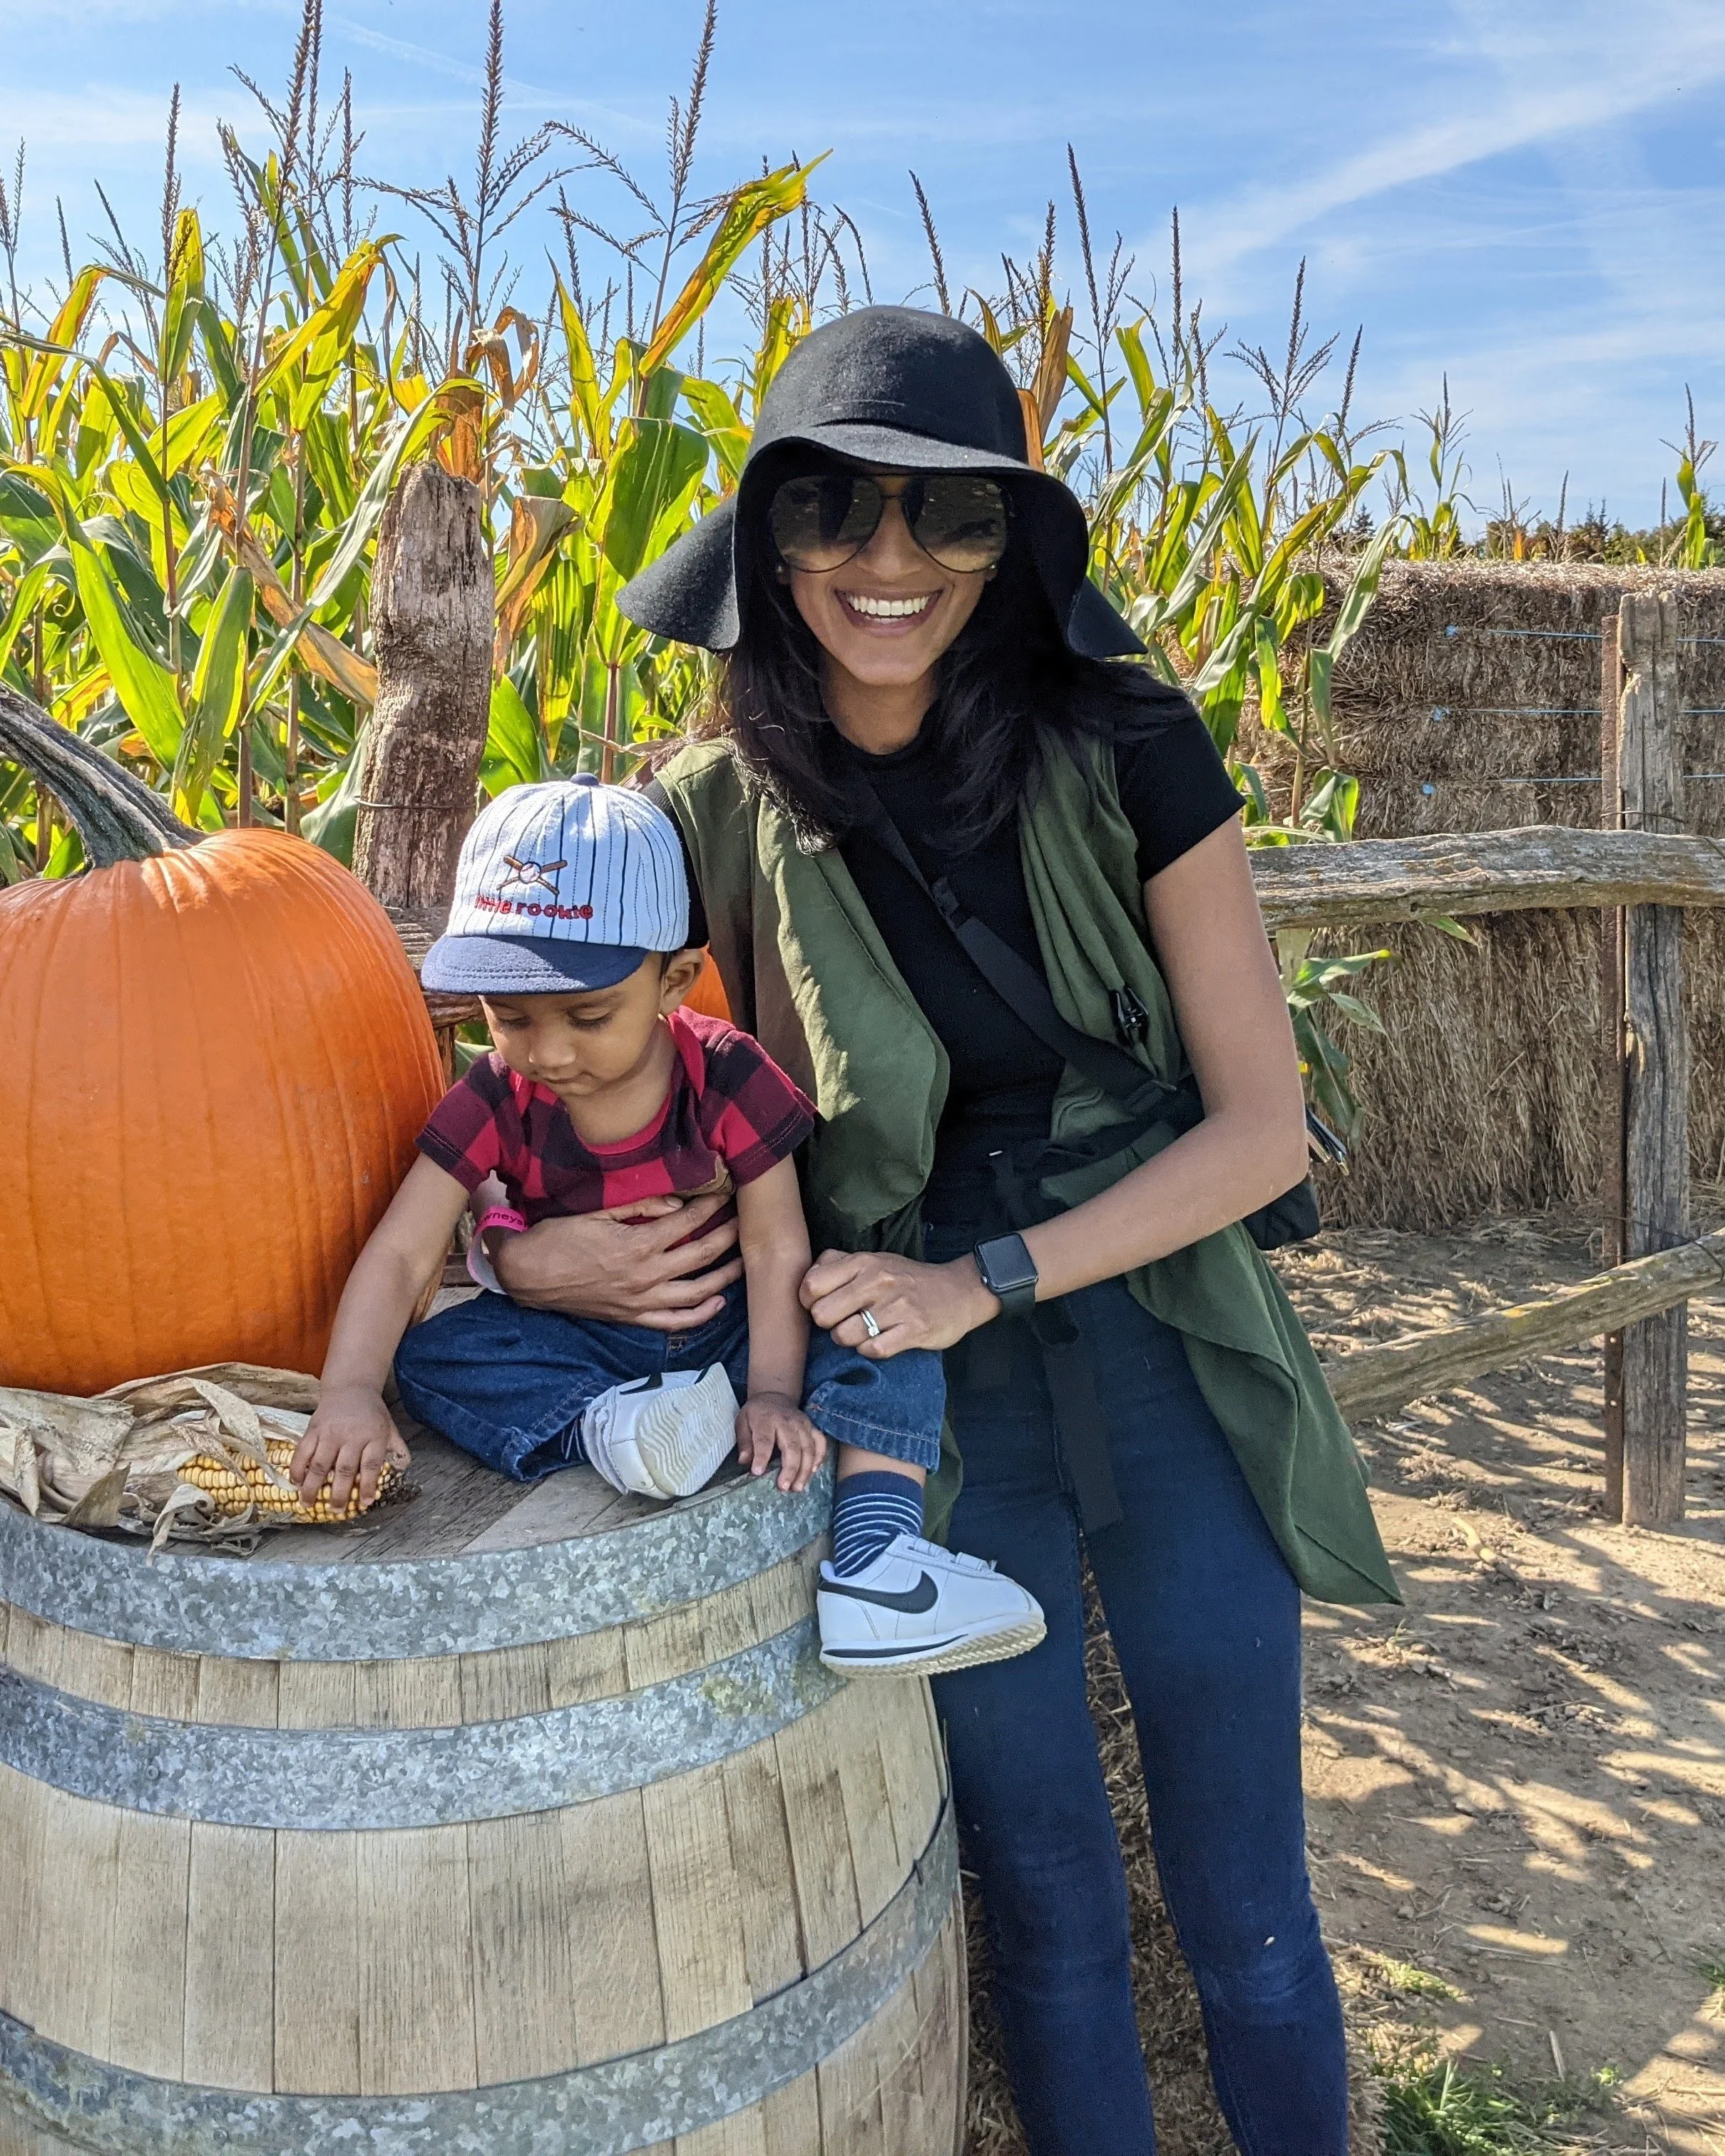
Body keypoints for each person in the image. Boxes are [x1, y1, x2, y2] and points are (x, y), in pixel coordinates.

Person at [485, 306, 1399, 2153]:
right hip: (915, 1419)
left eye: (945, 520)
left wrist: (983, 1277)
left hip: (1164, 1345)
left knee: (1249, 1918)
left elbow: (1256, 1130)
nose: (885, 567)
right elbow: (610, 1121)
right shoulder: (699, 817)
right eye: (831, 511)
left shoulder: (1128, 742)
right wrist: (528, 1260)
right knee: (1049, 1905)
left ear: (1009, 542)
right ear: (764, 540)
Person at [290, 773, 1044, 1678]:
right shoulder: (494, 1092)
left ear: (672, 980)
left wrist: (769, 1391)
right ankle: (610, 1429)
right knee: (440, 1358)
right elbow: (405, 1250)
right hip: (580, 1344)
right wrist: (348, 1392)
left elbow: (774, 1244)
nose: (549, 1051)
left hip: (730, 1326)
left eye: (587, 1014)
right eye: (510, 1019)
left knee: (880, 1328)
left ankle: (876, 1558)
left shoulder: (725, 1075)